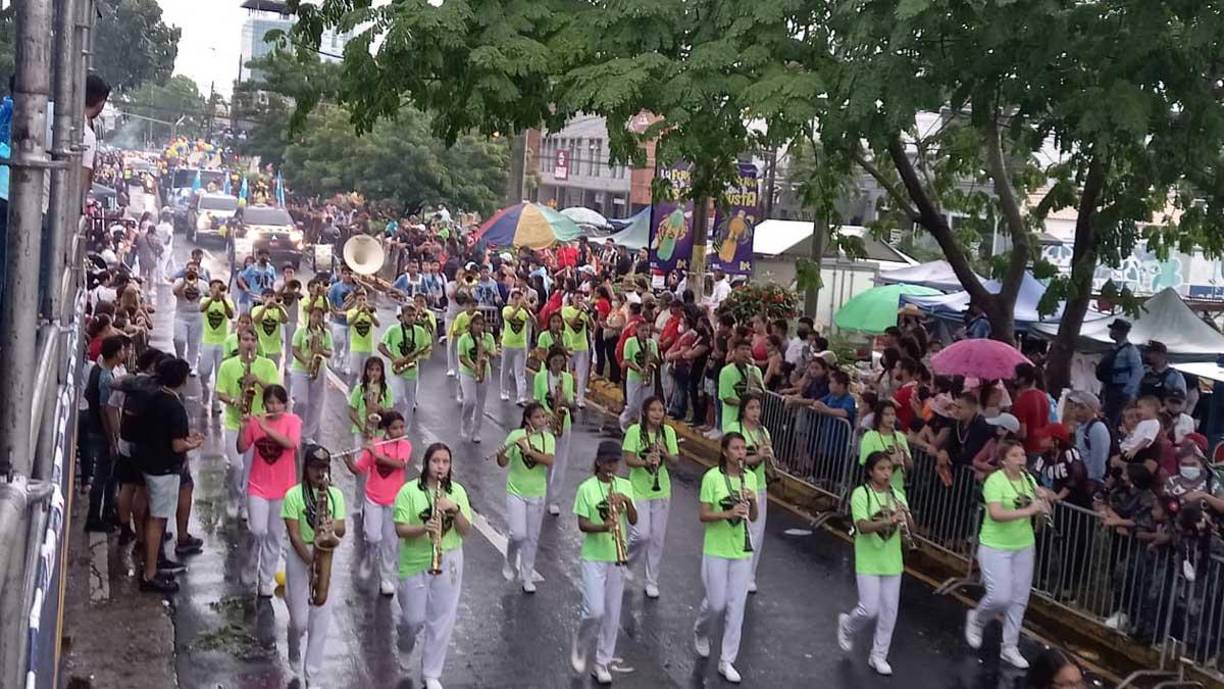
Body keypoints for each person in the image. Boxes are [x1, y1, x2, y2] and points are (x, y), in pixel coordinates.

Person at [964, 439, 1052, 669]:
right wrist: (1030, 510)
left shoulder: (1029, 479)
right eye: (1014, 456)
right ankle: (977, 618)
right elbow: (995, 514)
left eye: (1022, 455)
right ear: (1003, 460)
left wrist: (1044, 503)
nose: (1021, 460)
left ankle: (1009, 646)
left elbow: (1041, 510)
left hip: (1023, 544)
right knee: (1000, 595)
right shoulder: (995, 481)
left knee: (1019, 598)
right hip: (996, 545)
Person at [392, 442, 472, 689]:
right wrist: (423, 528)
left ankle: (431, 673)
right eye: (436, 461)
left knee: (442, 618)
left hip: (448, 558)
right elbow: (400, 528)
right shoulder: (409, 491)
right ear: (427, 463)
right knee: (413, 618)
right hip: (415, 561)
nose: (440, 466)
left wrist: (454, 509)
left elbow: (465, 529)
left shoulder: (456, 491)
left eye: (445, 462)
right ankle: (405, 643)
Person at [836, 450, 913, 675]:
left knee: (890, 611)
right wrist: (889, 520)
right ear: (871, 472)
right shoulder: (862, 494)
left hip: (892, 560)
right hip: (869, 559)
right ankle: (847, 626)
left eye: (889, 469)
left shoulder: (897, 495)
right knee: (869, 609)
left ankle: (879, 655)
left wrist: (906, 517)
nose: (886, 473)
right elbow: (862, 526)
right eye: (881, 469)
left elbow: (913, 529)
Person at [570, 440, 638, 685]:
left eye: (615, 462)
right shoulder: (586, 488)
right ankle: (580, 641)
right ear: (598, 462)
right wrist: (603, 526)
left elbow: (633, 519)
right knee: (595, 610)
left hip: (617, 556)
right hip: (593, 556)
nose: (612, 467)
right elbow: (582, 524)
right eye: (608, 462)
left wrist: (627, 502)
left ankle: (602, 662)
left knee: (612, 613)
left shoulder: (625, 486)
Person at [693, 432, 759, 684]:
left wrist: (752, 503)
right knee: (716, 603)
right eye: (736, 448)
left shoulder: (750, 478)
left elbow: (753, 517)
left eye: (743, 448)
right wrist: (728, 512)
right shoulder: (712, 478)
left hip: (741, 550)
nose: (741, 453)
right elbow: (703, 515)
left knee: (736, 606)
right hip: (717, 549)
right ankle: (700, 629)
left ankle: (727, 660)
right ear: (725, 451)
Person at [135, 358, 203, 593]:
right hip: (164, 469)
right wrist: (192, 444)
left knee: (154, 516)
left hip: (149, 463)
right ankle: (150, 573)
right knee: (158, 519)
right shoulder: (174, 406)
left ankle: (152, 563)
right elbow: (176, 445)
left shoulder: (153, 396)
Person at [282, 444, 346, 685]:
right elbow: (294, 535)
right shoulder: (293, 495)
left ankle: (313, 675)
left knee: (321, 618)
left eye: (324, 468)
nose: (321, 473)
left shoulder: (335, 495)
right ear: (306, 468)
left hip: (326, 552)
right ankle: (293, 639)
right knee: (300, 621)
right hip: (302, 555)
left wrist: (332, 526)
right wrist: (311, 563)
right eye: (315, 468)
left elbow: (342, 528)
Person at [235, 385, 301, 597]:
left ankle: (265, 579)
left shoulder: (292, 421)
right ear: (263, 404)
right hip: (258, 486)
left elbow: (291, 444)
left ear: (285, 404)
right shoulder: (255, 422)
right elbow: (241, 448)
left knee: (274, 535)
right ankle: (253, 557)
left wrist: (267, 428)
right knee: (258, 530)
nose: (274, 407)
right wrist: (244, 428)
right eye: (270, 403)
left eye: (278, 403)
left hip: (283, 489)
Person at [343, 411, 412, 596]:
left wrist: (377, 455)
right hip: (373, 498)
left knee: (390, 541)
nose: (399, 431)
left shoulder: (405, 445)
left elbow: (400, 464)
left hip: (395, 500)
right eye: (395, 428)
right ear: (387, 430)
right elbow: (360, 469)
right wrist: (349, 462)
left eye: (401, 427)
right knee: (373, 537)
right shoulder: (375, 444)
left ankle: (386, 577)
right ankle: (370, 554)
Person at [216, 328, 282, 518]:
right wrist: (234, 401)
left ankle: (244, 503)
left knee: (250, 467)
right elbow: (220, 392)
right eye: (245, 339)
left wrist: (258, 380)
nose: (250, 343)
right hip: (234, 422)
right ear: (238, 342)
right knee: (237, 465)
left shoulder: (267, 364)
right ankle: (234, 495)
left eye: (253, 339)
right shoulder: (227, 366)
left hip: (257, 423)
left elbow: (276, 391)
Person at [622, 396, 679, 599]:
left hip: (661, 490)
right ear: (645, 412)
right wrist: (644, 461)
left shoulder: (668, 432)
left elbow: (675, 462)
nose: (657, 413)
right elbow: (628, 459)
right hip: (639, 489)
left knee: (657, 538)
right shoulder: (635, 432)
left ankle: (651, 580)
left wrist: (666, 454)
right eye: (653, 410)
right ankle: (627, 560)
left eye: (661, 410)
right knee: (641, 533)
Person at [496, 403, 556, 594]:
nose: (542, 420)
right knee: (518, 534)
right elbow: (503, 463)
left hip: (537, 492)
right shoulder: (516, 436)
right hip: (516, 490)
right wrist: (502, 453)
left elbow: (549, 460)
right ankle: (510, 558)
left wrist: (529, 451)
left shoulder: (548, 438)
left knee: (532, 537)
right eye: (537, 417)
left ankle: (527, 575)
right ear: (528, 419)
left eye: (543, 417)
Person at [721, 393, 772, 593]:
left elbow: (765, 457)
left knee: (756, 532)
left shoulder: (763, 431)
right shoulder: (735, 429)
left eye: (757, 408)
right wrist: (757, 456)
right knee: (736, 527)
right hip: (736, 483)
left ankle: (749, 574)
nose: (755, 412)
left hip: (758, 484)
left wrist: (767, 456)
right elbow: (736, 460)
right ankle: (730, 569)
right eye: (751, 408)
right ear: (743, 410)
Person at [83, 334, 130, 532]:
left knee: (108, 475)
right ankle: (95, 516)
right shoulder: (105, 378)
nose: (124, 353)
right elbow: (106, 410)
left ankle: (107, 512)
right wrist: (112, 439)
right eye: (122, 350)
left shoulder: (99, 369)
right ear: (115, 353)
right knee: (103, 476)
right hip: (102, 433)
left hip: (98, 430)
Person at [347, 355, 395, 512]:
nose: (374, 373)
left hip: (379, 433)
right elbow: (352, 411)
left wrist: (378, 408)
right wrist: (362, 426)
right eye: (371, 369)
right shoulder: (359, 389)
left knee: (375, 469)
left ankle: (372, 501)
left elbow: (390, 411)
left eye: (377, 370)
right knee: (360, 469)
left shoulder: (386, 391)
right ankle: (357, 502)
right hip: (361, 432)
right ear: (366, 372)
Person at [534, 347, 575, 516]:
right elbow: (536, 401)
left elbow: (572, 403)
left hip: (563, 423)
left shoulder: (568, 378)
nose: (558, 365)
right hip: (545, 424)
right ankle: (541, 493)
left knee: (560, 462)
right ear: (549, 362)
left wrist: (565, 401)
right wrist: (545, 417)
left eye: (561, 361)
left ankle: (554, 499)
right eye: (555, 361)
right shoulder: (540, 377)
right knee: (546, 461)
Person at [379, 302, 432, 426]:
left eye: (414, 315)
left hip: (412, 371)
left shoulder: (419, 331)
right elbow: (380, 346)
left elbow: (425, 348)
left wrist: (420, 353)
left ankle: (404, 429)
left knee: (410, 402)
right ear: (402, 316)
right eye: (409, 315)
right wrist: (393, 358)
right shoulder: (393, 330)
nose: (412, 318)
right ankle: (393, 424)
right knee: (397, 399)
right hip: (397, 370)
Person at [291, 305, 335, 442]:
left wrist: (320, 350)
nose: (316, 319)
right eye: (314, 315)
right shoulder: (301, 332)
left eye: (319, 316)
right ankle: (296, 426)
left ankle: (307, 433)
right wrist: (306, 362)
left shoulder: (326, 334)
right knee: (301, 401)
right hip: (301, 368)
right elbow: (295, 349)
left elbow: (330, 352)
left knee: (315, 402)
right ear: (309, 316)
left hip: (319, 368)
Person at [457, 312, 497, 442]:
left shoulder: (488, 337)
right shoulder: (465, 338)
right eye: (476, 324)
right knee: (470, 401)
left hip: (485, 372)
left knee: (480, 404)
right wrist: (474, 367)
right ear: (471, 325)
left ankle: (476, 431)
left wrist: (484, 349)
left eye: (481, 324)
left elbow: (494, 355)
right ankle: (464, 424)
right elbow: (462, 357)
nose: (479, 327)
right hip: (468, 372)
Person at [858, 400, 912, 496]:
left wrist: (904, 455)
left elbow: (910, 466)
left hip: (897, 489)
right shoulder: (870, 436)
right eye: (886, 415)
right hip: (876, 489)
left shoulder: (900, 437)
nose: (891, 418)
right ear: (879, 416)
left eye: (893, 414)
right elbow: (867, 463)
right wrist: (890, 460)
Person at [1097, 318, 1142, 426]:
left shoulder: (1130, 350)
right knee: (1105, 416)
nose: (1111, 332)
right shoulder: (1112, 348)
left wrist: (1128, 391)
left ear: (1121, 332)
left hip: (1120, 390)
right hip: (1109, 387)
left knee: (1114, 419)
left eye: (1114, 330)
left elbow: (1138, 371)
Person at [199, 279, 234, 414]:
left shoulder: (228, 302)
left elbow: (231, 315)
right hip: (207, 341)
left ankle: (216, 401)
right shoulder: (205, 300)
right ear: (210, 290)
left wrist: (223, 300)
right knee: (203, 371)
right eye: (214, 287)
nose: (217, 290)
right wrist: (212, 299)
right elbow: (202, 309)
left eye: (219, 287)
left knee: (220, 374)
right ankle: (205, 390)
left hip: (222, 342)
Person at [619, 319, 659, 431]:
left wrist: (651, 362)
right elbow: (627, 360)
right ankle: (624, 420)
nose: (645, 333)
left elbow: (656, 361)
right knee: (633, 405)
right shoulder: (630, 342)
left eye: (647, 330)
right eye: (642, 330)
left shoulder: (652, 343)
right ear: (637, 330)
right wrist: (639, 369)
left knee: (646, 405)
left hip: (648, 377)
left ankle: (642, 428)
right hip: (634, 378)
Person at [718, 339, 763, 435]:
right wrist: (745, 405)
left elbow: (761, 392)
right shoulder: (726, 371)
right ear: (735, 351)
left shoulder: (756, 371)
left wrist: (754, 376)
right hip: (732, 420)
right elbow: (726, 398)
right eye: (742, 349)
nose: (745, 352)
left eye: (748, 349)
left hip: (750, 421)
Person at [170, 261, 205, 372]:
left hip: (196, 316)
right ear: (185, 270)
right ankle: (180, 361)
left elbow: (210, 297)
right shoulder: (179, 281)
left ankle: (192, 365)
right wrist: (185, 282)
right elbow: (175, 291)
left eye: (194, 270)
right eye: (189, 269)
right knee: (179, 339)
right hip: (181, 316)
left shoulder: (203, 284)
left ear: (198, 272)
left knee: (194, 343)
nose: (192, 271)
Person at [500, 289, 532, 404]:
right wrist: (519, 307)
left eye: (520, 298)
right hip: (508, 344)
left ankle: (521, 396)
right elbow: (509, 318)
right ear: (511, 299)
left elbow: (535, 321)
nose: (518, 301)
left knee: (520, 371)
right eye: (515, 298)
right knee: (505, 369)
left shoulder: (524, 312)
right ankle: (504, 391)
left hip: (520, 345)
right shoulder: (506, 309)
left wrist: (528, 309)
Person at [563, 291, 593, 408]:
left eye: (582, 298)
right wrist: (580, 311)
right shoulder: (566, 310)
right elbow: (571, 323)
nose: (580, 300)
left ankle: (580, 399)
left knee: (582, 373)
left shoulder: (584, 313)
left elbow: (593, 326)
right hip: (570, 346)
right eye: (577, 298)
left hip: (582, 346)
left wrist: (589, 314)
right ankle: (568, 396)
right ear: (572, 298)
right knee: (568, 372)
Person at [1013, 363, 1050, 457]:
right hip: (1044, 446)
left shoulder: (1021, 401)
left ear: (1022, 379)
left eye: (1015, 375)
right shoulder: (1043, 396)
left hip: (1029, 449)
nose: (1012, 377)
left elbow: (1022, 434)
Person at [346, 289, 380, 386]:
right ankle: (351, 390)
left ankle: (362, 390)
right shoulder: (352, 312)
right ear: (356, 301)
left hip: (367, 347)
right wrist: (358, 312)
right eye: (359, 300)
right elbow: (349, 322)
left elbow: (377, 324)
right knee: (354, 372)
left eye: (364, 300)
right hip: (355, 347)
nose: (362, 302)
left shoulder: (371, 312)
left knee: (365, 373)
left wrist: (369, 313)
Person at [327, 265, 357, 376]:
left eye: (350, 273)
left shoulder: (356, 287)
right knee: (338, 342)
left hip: (351, 321)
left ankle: (346, 365)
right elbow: (330, 301)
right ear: (342, 274)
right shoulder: (336, 287)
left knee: (349, 344)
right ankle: (338, 357)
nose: (348, 276)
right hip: (338, 320)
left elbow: (367, 294)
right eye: (346, 273)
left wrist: (360, 284)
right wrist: (334, 312)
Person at [251, 288, 290, 369]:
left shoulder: (278, 310)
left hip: (275, 350)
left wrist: (279, 307)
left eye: (271, 296)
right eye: (267, 296)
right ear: (262, 298)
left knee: (273, 373)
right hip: (260, 349)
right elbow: (256, 320)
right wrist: (265, 306)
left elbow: (285, 320)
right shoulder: (256, 309)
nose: (269, 299)